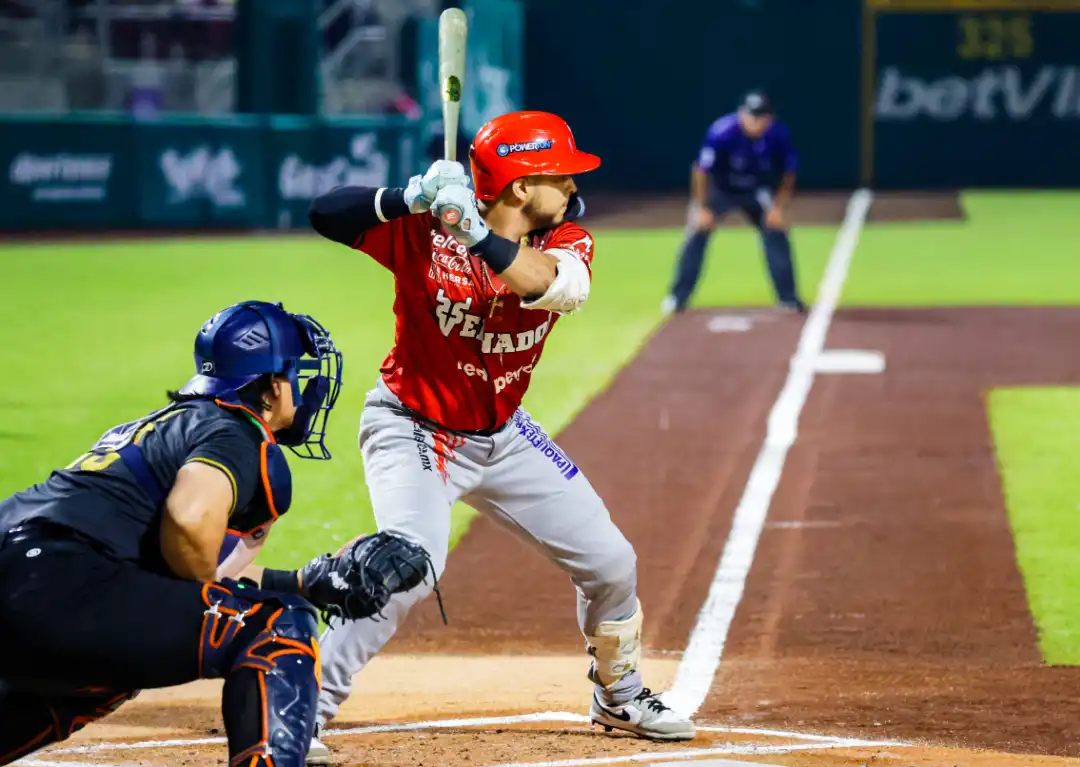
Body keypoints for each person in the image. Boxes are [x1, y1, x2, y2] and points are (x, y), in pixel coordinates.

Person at [305, 110, 696, 765]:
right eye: (560, 175)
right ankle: (295, 710)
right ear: (519, 186)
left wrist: (477, 231)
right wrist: (409, 198)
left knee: (611, 564)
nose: (573, 187)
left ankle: (618, 693)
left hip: (505, 436)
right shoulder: (425, 232)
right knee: (404, 567)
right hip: (413, 430)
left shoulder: (567, 237)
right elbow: (325, 213)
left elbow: (552, 285)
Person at [0, 300, 431, 767]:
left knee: (106, 676)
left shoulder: (167, 425)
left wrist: (303, 581)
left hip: (34, 576)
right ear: (270, 385)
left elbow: (194, 567)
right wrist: (285, 601)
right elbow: (188, 522)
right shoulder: (235, 432)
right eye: (295, 374)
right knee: (278, 626)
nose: (303, 390)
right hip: (53, 582)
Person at [663, 90, 807, 314]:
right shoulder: (722, 132)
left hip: (756, 190)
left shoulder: (778, 135)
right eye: (751, 116)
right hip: (720, 189)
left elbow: (789, 173)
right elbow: (701, 171)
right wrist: (701, 207)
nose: (756, 122)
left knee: (777, 231)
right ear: (741, 114)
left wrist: (778, 208)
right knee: (697, 230)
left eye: (761, 117)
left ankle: (788, 298)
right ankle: (677, 297)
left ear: (769, 118)